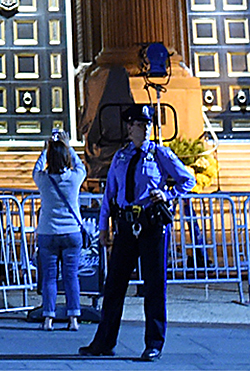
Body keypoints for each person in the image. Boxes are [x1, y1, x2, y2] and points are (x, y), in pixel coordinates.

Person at [80, 105, 194, 362]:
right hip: (125, 226)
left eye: (147, 124)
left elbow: (188, 180)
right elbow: (110, 194)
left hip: (151, 226)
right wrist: (102, 227)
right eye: (139, 124)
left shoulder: (160, 154)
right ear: (129, 127)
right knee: (114, 287)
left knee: (154, 287)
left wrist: (167, 194)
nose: (144, 129)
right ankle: (104, 342)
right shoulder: (121, 157)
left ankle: (154, 342)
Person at [34, 129, 84, 332]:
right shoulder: (75, 178)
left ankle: (48, 318)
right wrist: (68, 146)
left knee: (49, 277)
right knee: (71, 276)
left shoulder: (43, 179)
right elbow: (81, 165)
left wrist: (46, 150)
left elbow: (36, 169)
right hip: (72, 232)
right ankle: (73, 319)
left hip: (48, 232)